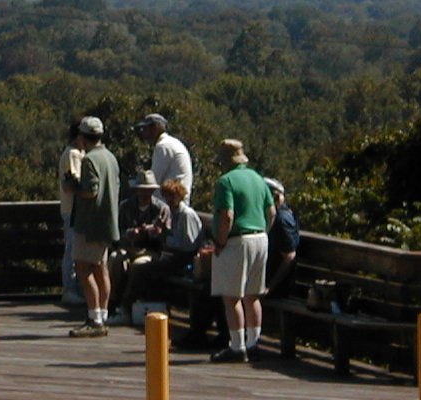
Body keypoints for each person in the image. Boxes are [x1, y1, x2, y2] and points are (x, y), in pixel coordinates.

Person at [210, 139, 275, 363]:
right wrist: (264, 231)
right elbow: (272, 211)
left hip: (237, 241)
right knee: (252, 295)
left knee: (232, 297)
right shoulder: (258, 178)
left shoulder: (226, 181)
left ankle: (237, 347)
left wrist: (220, 242)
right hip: (260, 237)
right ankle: (254, 343)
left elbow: (227, 215)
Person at [114, 178, 205, 326]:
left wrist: (165, 238)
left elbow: (189, 244)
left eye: (171, 195)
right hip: (172, 256)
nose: (168, 199)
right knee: (133, 266)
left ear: (179, 195)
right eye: (166, 195)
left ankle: (125, 307)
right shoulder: (172, 212)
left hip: (185, 260)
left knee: (140, 269)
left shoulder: (186, 214)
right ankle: (127, 306)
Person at [64, 115, 120, 337]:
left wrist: (72, 187)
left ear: (82, 137)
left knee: (83, 269)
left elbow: (91, 190)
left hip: (90, 224)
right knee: (101, 269)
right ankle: (103, 314)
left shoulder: (89, 160)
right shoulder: (110, 157)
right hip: (108, 223)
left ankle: (94, 318)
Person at [107, 170, 171, 326]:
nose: (144, 193)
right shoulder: (125, 206)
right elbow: (116, 232)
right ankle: (112, 303)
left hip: (150, 250)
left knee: (139, 266)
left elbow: (167, 236)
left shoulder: (161, 209)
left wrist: (155, 233)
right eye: (141, 189)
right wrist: (129, 234)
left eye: (148, 190)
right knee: (115, 260)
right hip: (128, 247)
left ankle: (125, 306)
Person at [134, 113, 193, 202]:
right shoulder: (172, 142)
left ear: (156, 128)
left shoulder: (163, 146)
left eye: (147, 128)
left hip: (168, 204)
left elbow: (153, 180)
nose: (144, 133)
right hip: (178, 201)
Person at [57, 121, 86, 305]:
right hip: (73, 209)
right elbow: (74, 181)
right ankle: (70, 289)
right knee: (72, 250)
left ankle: (75, 288)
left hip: (73, 209)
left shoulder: (76, 153)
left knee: (74, 249)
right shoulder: (73, 154)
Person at [263, 177, 299, 298]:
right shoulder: (277, 216)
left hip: (277, 286)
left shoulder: (281, 220)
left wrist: (270, 287)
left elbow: (289, 256)